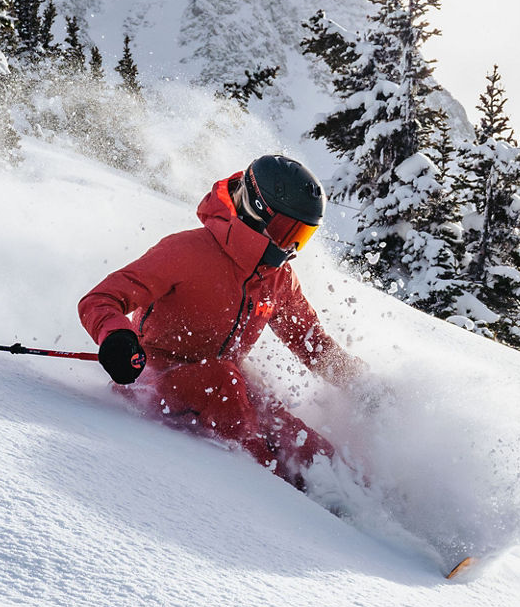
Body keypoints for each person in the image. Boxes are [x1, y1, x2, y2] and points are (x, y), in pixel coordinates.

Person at [78, 154, 366, 488]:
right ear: (258, 210)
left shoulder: (277, 278)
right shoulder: (187, 251)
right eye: (287, 232)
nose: (291, 247)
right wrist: (116, 338)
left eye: (302, 236)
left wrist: (361, 386)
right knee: (224, 383)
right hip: (156, 375)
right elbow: (101, 299)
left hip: (227, 384)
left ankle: (355, 494)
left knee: (294, 433)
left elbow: (312, 344)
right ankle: (285, 492)